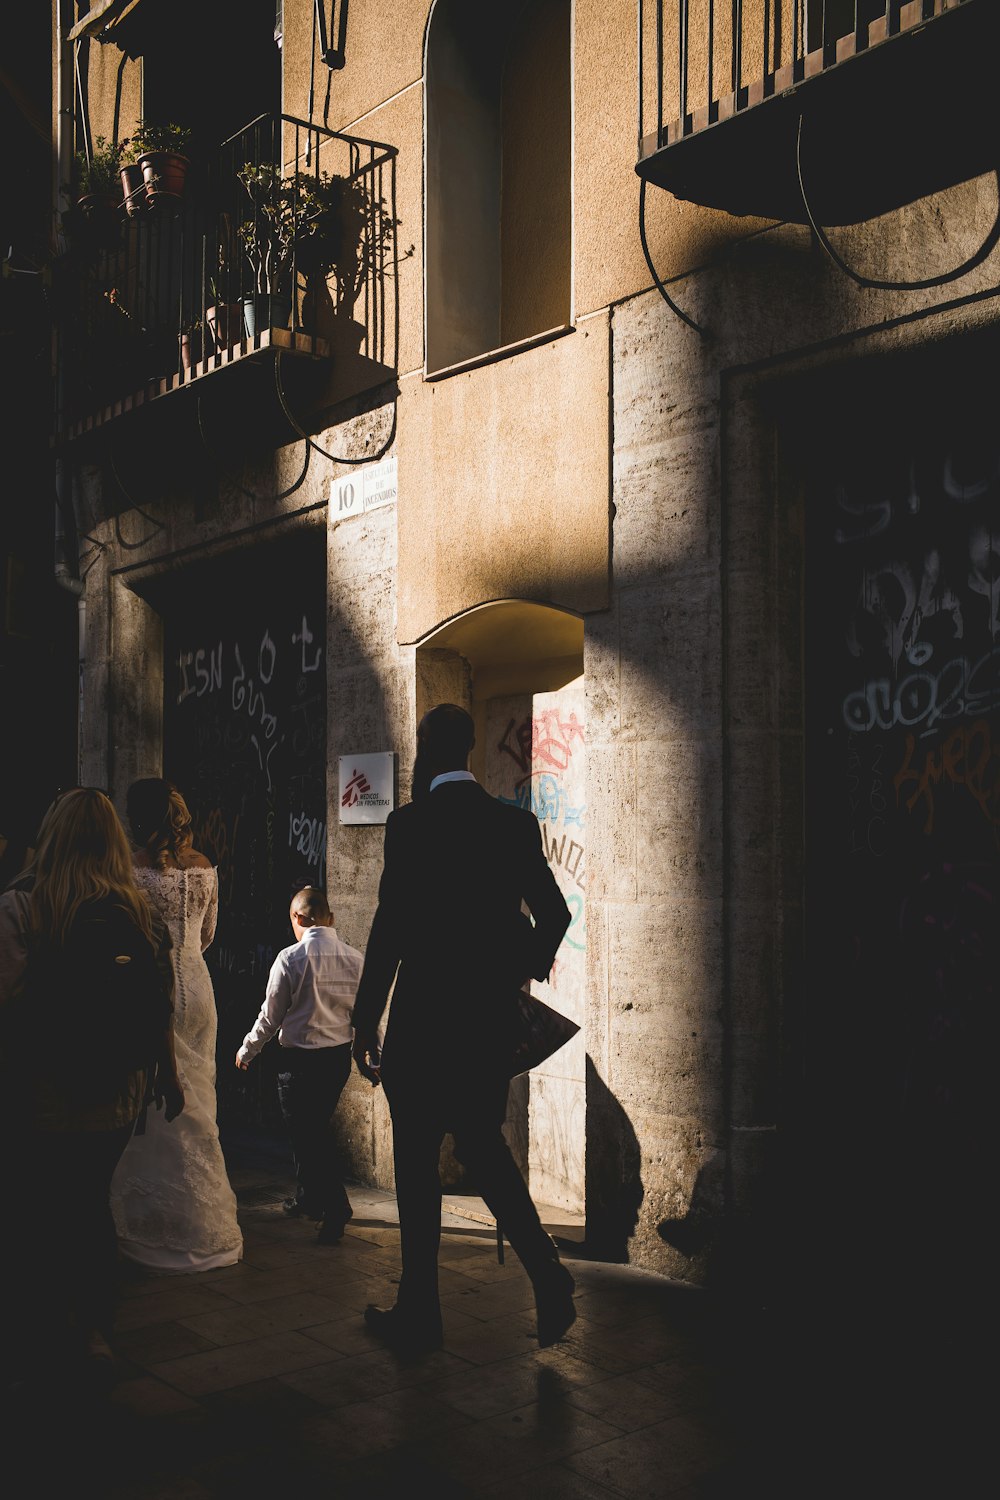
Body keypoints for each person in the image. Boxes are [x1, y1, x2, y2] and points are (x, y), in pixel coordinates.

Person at [352, 702, 575, 1352]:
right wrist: (516, 966)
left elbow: (389, 930)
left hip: (421, 1029)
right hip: (484, 1027)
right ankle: (548, 1275)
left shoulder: (410, 826)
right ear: (472, 749)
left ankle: (420, 1312)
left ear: (426, 750)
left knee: (417, 1168)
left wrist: (366, 1020)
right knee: (485, 1151)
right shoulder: (513, 824)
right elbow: (555, 915)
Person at [0, 788, 183, 1388]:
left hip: (42, 1086)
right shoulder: (138, 910)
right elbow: (161, 1006)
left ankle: (45, 1325)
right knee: (89, 1199)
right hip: (117, 1088)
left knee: (45, 1204)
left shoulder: (23, 907)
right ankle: (96, 1332)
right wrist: (169, 1075)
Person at [111, 778, 243, 1273]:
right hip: (198, 984)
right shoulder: (205, 866)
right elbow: (207, 934)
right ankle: (203, 1221)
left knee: (150, 1095)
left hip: (152, 985)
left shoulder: (131, 870)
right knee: (198, 1099)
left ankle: (149, 1221)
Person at [235, 886, 363, 1244]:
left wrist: (248, 1050)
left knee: (308, 1135)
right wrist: (376, 1053)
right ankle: (310, 1199)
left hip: (298, 1062)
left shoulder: (290, 958)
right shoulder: (355, 959)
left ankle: (337, 1205)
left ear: (298, 918)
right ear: (331, 919)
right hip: (336, 1059)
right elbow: (366, 1015)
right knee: (314, 1128)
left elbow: (270, 1015)